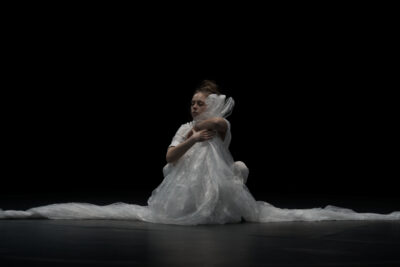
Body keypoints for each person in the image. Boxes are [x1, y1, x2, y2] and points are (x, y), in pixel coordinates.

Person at [1, 80, 399, 224]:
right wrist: (190, 137)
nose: (194, 108)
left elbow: (220, 126)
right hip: (182, 186)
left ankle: (231, 194)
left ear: (211, 104)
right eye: (192, 103)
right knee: (186, 162)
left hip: (216, 183)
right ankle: (216, 195)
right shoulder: (186, 127)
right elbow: (169, 157)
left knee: (232, 166)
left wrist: (207, 121)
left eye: (200, 102)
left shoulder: (218, 123)